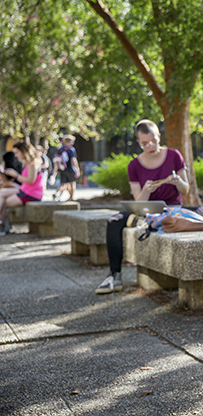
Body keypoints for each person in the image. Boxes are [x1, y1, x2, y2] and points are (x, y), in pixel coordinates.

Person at [95, 119, 191, 294]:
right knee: (114, 221)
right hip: (146, 209)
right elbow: (139, 202)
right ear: (139, 143)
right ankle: (114, 276)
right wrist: (147, 190)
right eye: (145, 143)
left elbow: (186, 189)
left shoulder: (174, 155)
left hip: (171, 208)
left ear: (159, 136)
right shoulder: (134, 165)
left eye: (154, 141)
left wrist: (178, 181)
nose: (151, 146)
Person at [0, 142, 44, 236]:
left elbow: (30, 180)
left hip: (31, 194)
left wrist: (15, 174)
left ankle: (3, 228)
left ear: (24, 152)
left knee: (4, 202)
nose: (15, 156)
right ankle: (3, 227)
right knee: (2, 193)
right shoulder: (27, 162)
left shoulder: (32, 163)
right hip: (24, 190)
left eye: (17, 153)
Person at [52, 135, 81, 201]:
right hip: (70, 169)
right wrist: (77, 169)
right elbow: (73, 160)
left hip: (62, 169)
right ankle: (71, 197)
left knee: (62, 183)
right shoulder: (71, 149)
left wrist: (55, 171)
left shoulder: (60, 149)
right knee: (72, 183)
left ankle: (56, 193)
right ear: (70, 141)